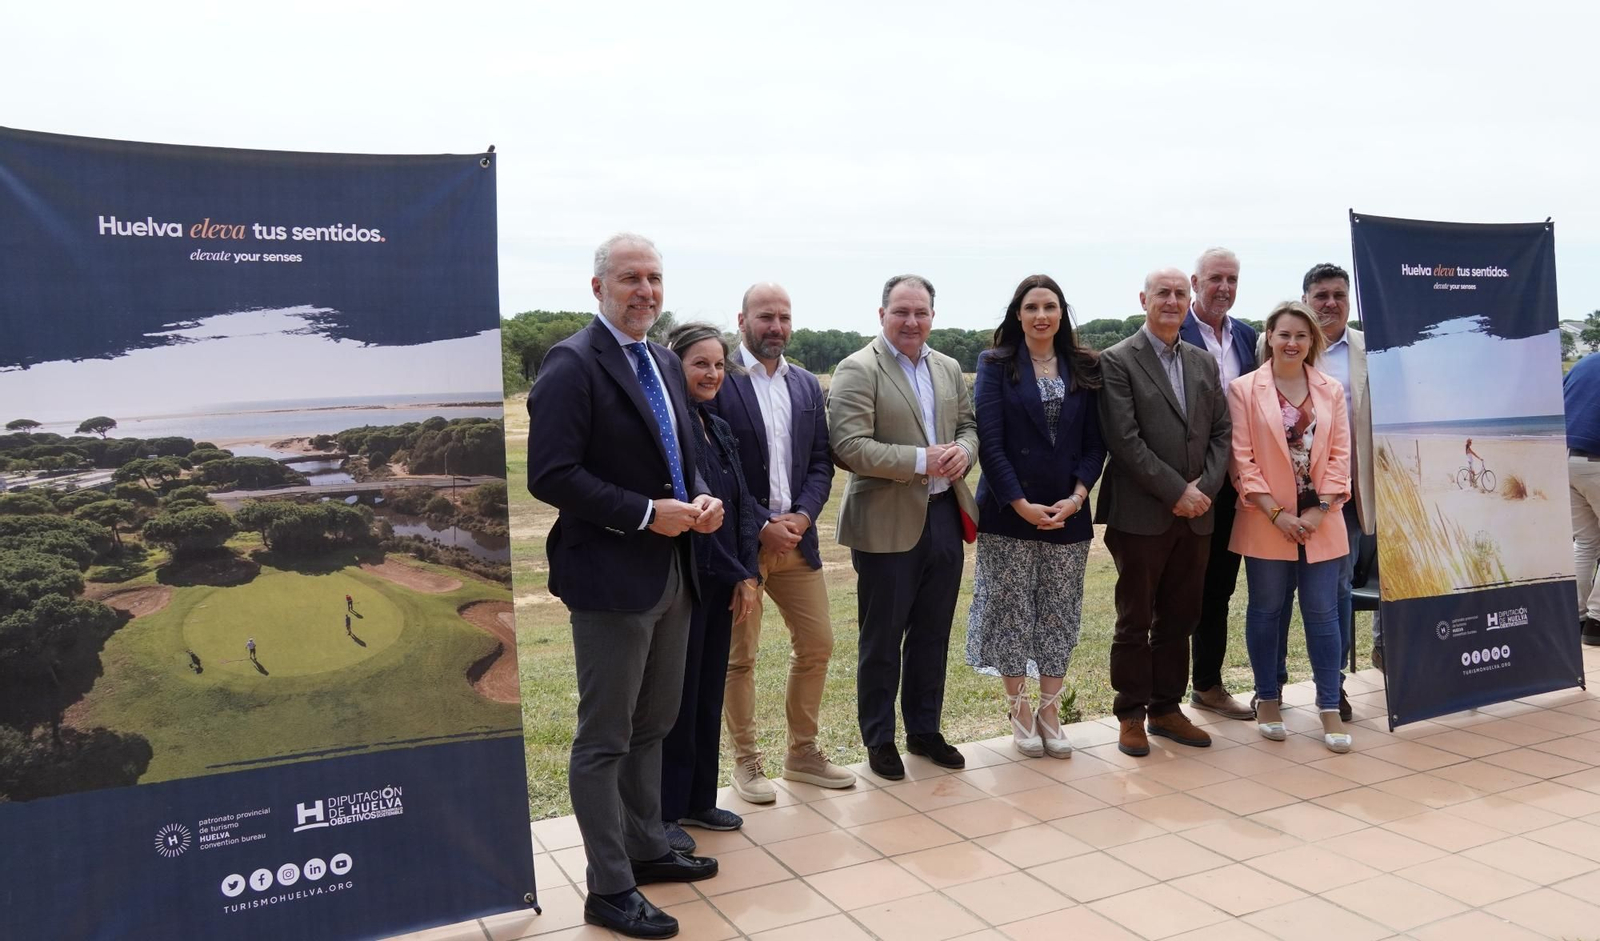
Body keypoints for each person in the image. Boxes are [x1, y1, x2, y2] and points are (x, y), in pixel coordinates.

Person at [526, 233, 725, 939]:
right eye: (630, 278)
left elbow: (684, 454)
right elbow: (549, 473)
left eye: (655, 278)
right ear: (598, 287)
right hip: (609, 575)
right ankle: (610, 887)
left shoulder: (665, 360)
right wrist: (646, 514)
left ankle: (647, 844)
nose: (645, 290)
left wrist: (699, 498)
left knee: (654, 723)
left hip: (672, 573)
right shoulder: (572, 363)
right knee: (605, 737)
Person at [828, 273, 979, 780]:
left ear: (933, 317)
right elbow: (849, 447)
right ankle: (879, 737)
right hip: (885, 524)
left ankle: (924, 730)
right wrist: (921, 460)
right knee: (882, 636)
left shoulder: (950, 367)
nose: (912, 322)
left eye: (921, 313)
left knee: (932, 634)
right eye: (902, 312)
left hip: (943, 517)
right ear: (882, 315)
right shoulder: (857, 368)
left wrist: (962, 452)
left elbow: (968, 426)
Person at [714, 283, 852, 802]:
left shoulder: (806, 386)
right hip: (738, 546)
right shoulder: (720, 381)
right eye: (765, 316)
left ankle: (802, 754)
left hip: (796, 541)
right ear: (743, 319)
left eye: (784, 317)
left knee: (817, 645)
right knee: (738, 659)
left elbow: (820, 461)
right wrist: (758, 523)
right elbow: (713, 467)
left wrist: (801, 516)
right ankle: (747, 763)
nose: (776, 326)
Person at [1094, 267, 1231, 757]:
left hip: (1197, 516)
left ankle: (1167, 709)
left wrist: (1205, 490)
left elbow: (1221, 433)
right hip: (1141, 515)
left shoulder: (1201, 361)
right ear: (1143, 299)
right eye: (1162, 293)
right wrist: (1177, 491)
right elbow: (1124, 441)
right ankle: (1131, 713)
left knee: (1181, 616)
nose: (1172, 301)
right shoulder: (1116, 361)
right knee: (1135, 617)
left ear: (1188, 297)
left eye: (1179, 293)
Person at [967, 274, 1105, 758]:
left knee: (1058, 613)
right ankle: (1020, 710)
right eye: (1032, 307)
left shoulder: (1085, 365)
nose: (1041, 315)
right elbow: (991, 439)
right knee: (1011, 613)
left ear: (1062, 313)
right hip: (1009, 513)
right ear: (1018, 315)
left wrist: (1078, 495)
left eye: (1050, 306)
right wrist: (1019, 503)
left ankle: (1050, 712)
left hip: (1069, 513)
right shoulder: (994, 364)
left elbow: (1095, 442)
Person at [1228, 301, 1354, 753]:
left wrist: (1320, 509)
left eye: (1301, 336)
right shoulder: (1245, 390)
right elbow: (1241, 460)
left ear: (1311, 342)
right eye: (1284, 334)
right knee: (1266, 609)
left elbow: (1341, 455)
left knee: (1323, 613)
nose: (1292, 343)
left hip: (1323, 519)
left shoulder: (1331, 390)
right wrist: (1278, 514)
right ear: (1269, 337)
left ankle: (1328, 706)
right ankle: (1266, 698)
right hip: (1266, 518)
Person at [657, 323, 761, 854]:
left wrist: (750, 571)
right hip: (693, 581)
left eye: (719, 365)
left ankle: (699, 798)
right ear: (675, 366)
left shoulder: (716, 426)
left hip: (727, 581)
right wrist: (736, 573)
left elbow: (740, 504)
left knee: (706, 693)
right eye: (701, 364)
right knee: (677, 698)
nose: (713, 374)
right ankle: (667, 809)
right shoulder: (673, 432)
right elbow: (697, 521)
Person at [1180, 247, 1259, 721]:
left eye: (1232, 279)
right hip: (1188, 482)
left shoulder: (1248, 337)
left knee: (1220, 589)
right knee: (1179, 588)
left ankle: (1206, 684)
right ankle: (1159, 696)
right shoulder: (1175, 330)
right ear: (1196, 282)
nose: (1224, 288)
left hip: (1239, 485)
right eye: (1215, 279)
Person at [1295, 264, 1377, 701]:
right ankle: (1267, 689)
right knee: (1272, 599)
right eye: (1321, 294)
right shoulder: (1276, 343)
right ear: (1305, 298)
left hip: (1342, 497)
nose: (1330, 303)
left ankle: (1335, 685)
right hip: (1280, 499)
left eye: (1338, 295)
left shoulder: (1368, 349)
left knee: (1338, 590)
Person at [1565, 353, 1600, 645]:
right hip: (1597, 459)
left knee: (1586, 542)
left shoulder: (1583, 364)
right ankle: (1597, 622)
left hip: (1565, 458)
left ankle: (1574, 617)